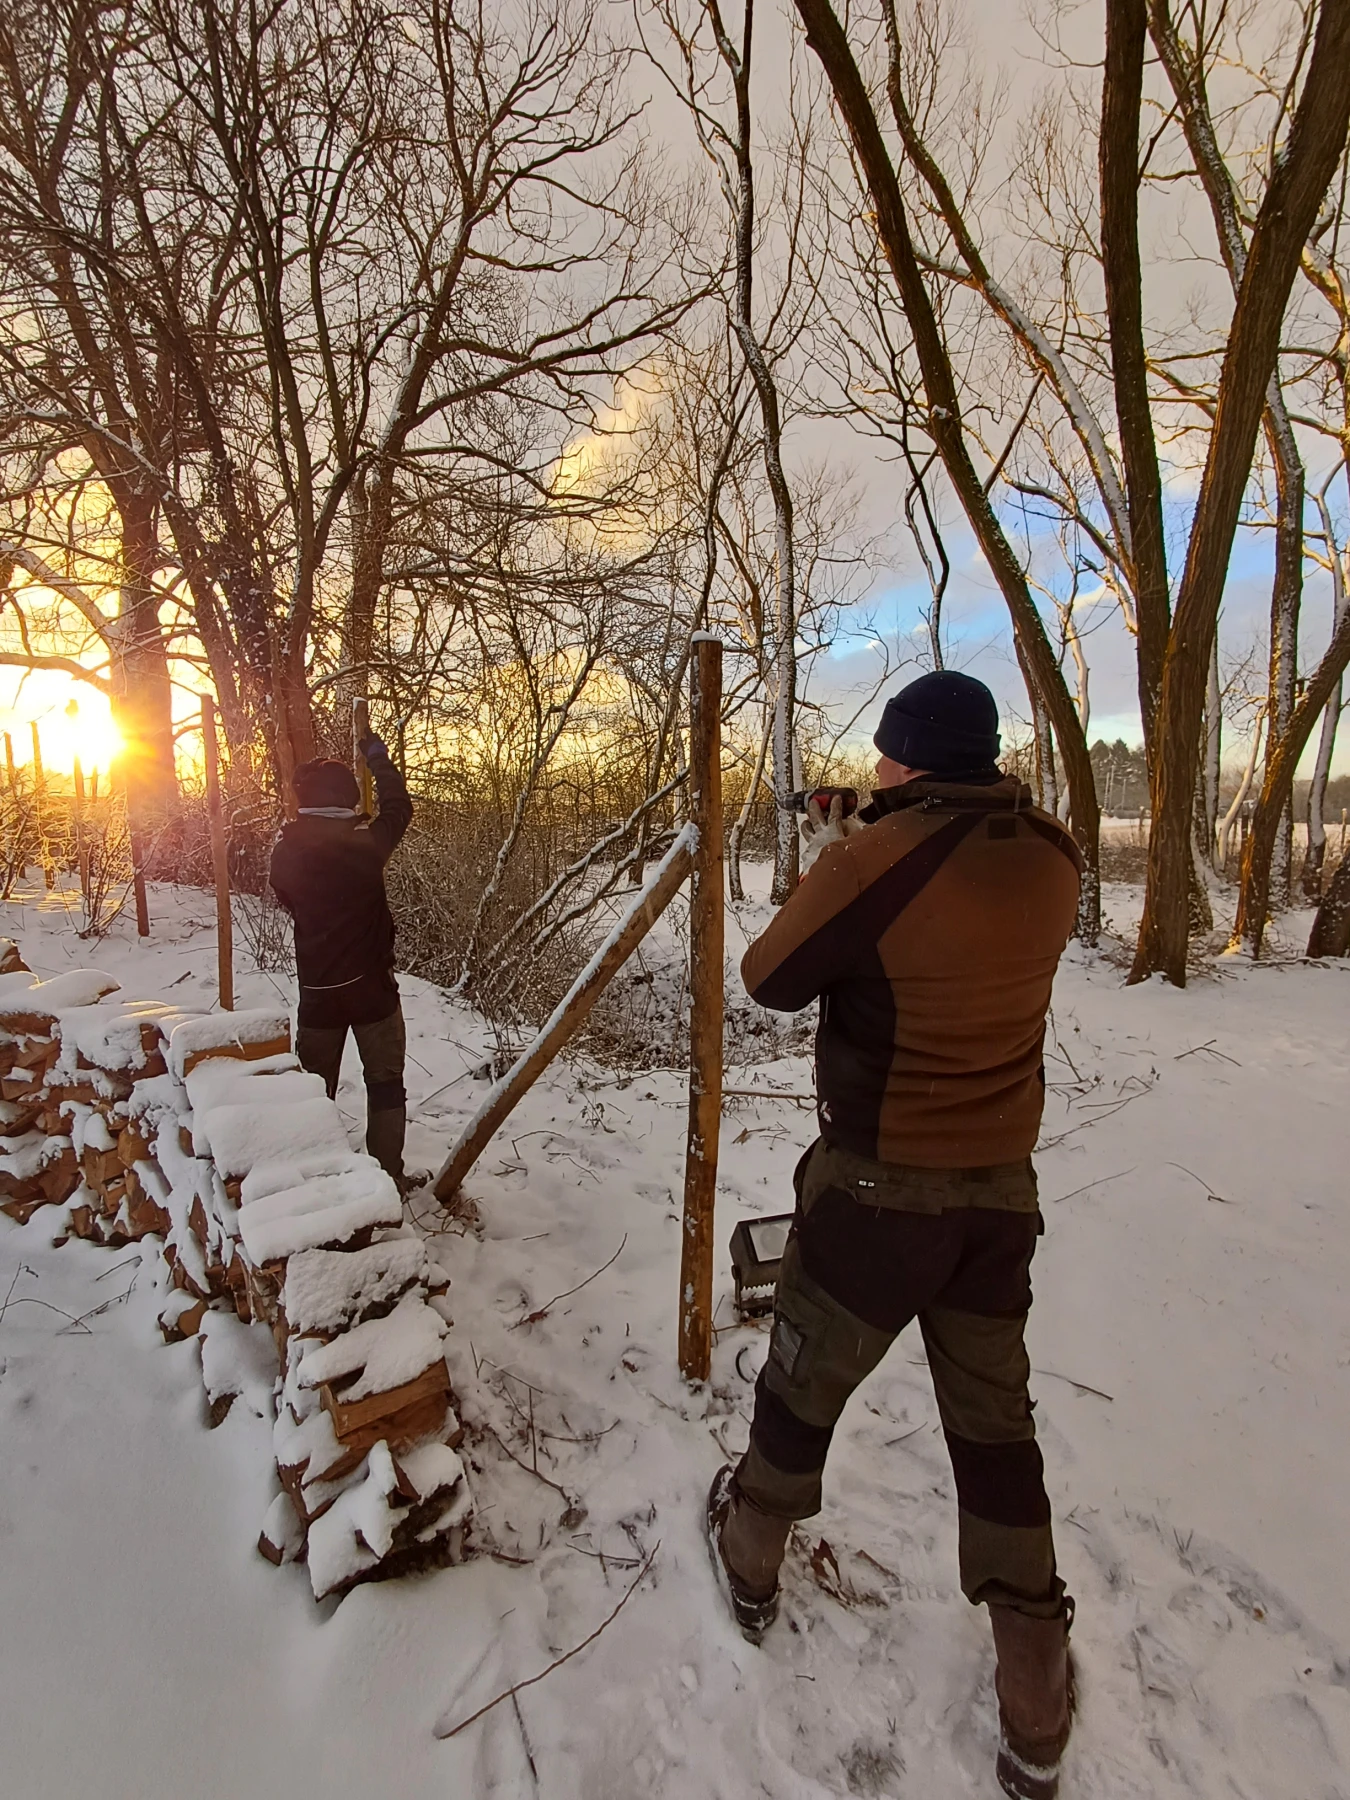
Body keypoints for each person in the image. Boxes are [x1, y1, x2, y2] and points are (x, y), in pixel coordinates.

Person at [707, 671, 1082, 1800]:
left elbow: (769, 977)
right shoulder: (1056, 855)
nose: (871, 770)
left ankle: (750, 1556)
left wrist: (846, 850)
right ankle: (1036, 1696)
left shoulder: (870, 861)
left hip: (876, 1192)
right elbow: (956, 878)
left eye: (884, 756)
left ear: (909, 758)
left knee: (802, 1382)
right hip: (998, 1200)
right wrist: (883, 829)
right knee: (996, 1432)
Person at [269, 732, 414, 1189]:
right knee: (385, 1082)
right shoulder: (366, 844)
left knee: (314, 1090)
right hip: (373, 990)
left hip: (318, 991)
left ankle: (315, 1178)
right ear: (347, 800)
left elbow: (284, 895)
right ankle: (387, 1177)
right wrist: (378, 758)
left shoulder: (286, 851)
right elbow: (399, 806)